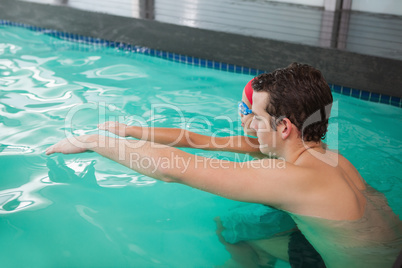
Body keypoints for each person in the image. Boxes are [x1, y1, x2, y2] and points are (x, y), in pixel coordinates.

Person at [46, 63, 402, 268]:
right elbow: (199, 141)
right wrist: (128, 130)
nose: (247, 123)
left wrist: (94, 142)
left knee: (229, 228)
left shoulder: (291, 178)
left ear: (283, 126)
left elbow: (175, 169)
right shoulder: (332, 158)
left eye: (256, 116)